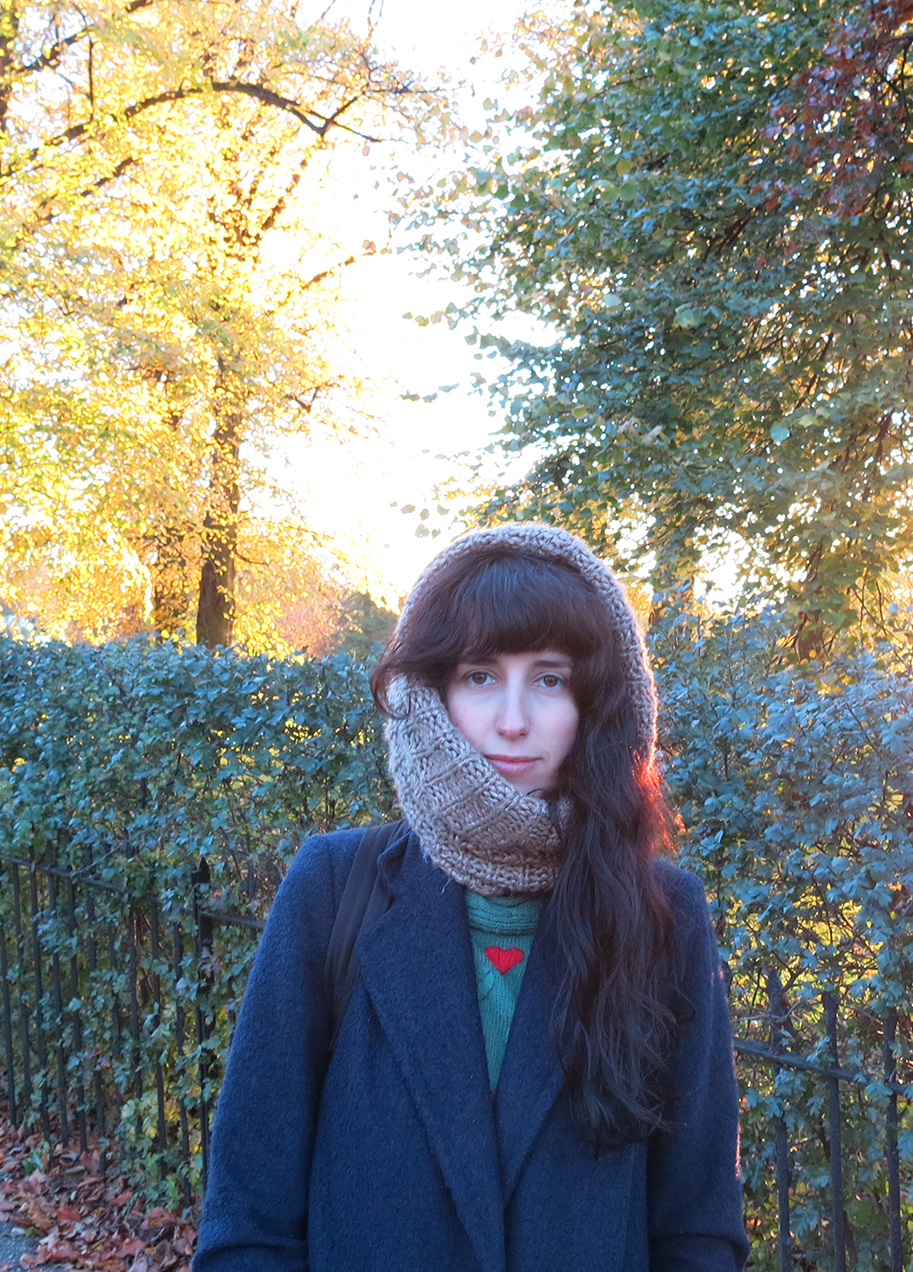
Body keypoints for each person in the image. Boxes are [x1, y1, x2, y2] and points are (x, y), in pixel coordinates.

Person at [193, 524, 749, 1272]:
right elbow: (250, 1218)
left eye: (550, 679)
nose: (512, 721)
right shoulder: (333, 888)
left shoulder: (663, 915)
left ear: (595, 703)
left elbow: (696, 1227)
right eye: (480, 676)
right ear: (433, 691)